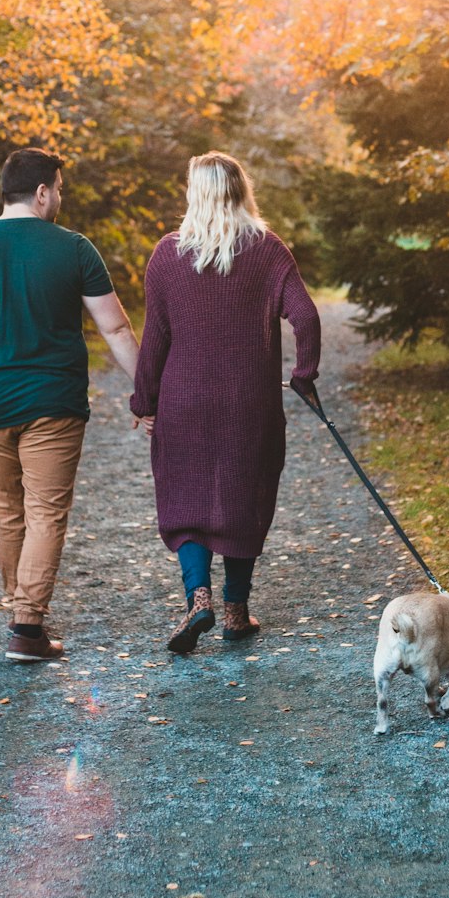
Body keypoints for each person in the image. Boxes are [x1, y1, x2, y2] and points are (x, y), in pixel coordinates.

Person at [0, 147, 140, 663]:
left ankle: (21, 613)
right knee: (46, 513)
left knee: (7, 511)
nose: (60, 198)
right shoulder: (74, 249)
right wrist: (147, 391)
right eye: (60, 189)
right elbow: (113, 326)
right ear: (43, 191)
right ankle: (27, 628)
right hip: (53, 404)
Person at [130, 151, 321, 654]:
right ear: (242, 192)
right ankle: (236, 610)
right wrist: (303, 376)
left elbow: (155, 340)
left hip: (183, 401)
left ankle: (199, 600)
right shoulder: (269, 250)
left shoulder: (167, 255)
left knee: (184, 497)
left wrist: (143, 401)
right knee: (245, 495)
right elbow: (306, 318)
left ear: (195, 194)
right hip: (249, 404)